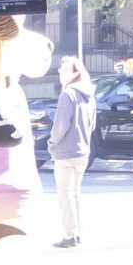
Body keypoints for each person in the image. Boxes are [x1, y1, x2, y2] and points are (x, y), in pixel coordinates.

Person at [46, 55, 94, 247]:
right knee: (75, 194)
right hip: (83, 151)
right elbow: (92, 125)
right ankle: (77, 232)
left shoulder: (68, 94)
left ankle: (70, 235)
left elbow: (60, 126)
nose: (60, 73)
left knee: (65, 195)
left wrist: (51, 143)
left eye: (64, 70)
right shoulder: (89, 94)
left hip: (66, 152)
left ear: (74, 73)